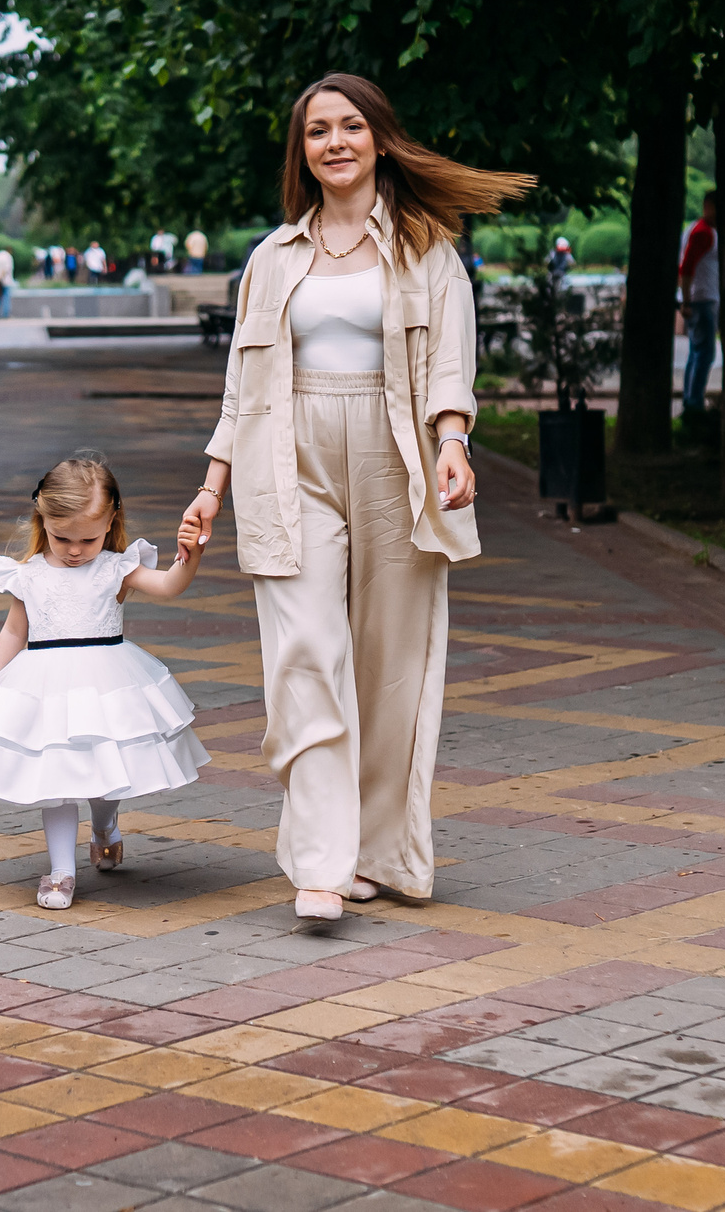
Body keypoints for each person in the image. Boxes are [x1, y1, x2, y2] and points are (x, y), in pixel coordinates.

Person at [182, 72, 527, 923]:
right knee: (304, 654)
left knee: (388, 666)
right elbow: (241, 386)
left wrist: (454, 444)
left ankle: (376, 851)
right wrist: (210, 487)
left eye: (349, 127)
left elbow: (451, 363)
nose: (334, 142)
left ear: (378, 137)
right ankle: (320, 863)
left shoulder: (426, 249)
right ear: (301, 151)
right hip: (288, 459)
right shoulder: (272, 257)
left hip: (394, 456)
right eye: (315, 132)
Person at [0, 454, 210, 910]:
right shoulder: (28, 575)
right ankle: (61, 871)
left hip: (108, 683)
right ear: (41, 520)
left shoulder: (115, 567)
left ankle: (105, 826)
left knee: (105, 776)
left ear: (111, 522)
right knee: (57, 778)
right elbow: (14, 631)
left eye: (88, 538)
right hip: (45, 686)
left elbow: (169, 586)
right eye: (60, 537)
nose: (74, 550)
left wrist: (192, 555)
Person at [679, 193, 720, 415]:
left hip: (702, 298)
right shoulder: (703, 233)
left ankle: (691, 399)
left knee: (697, 352)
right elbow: (686, 268)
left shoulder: (700, 229)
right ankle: (693, 402)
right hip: (702, 299)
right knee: (704, 354)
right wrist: (686, 300)